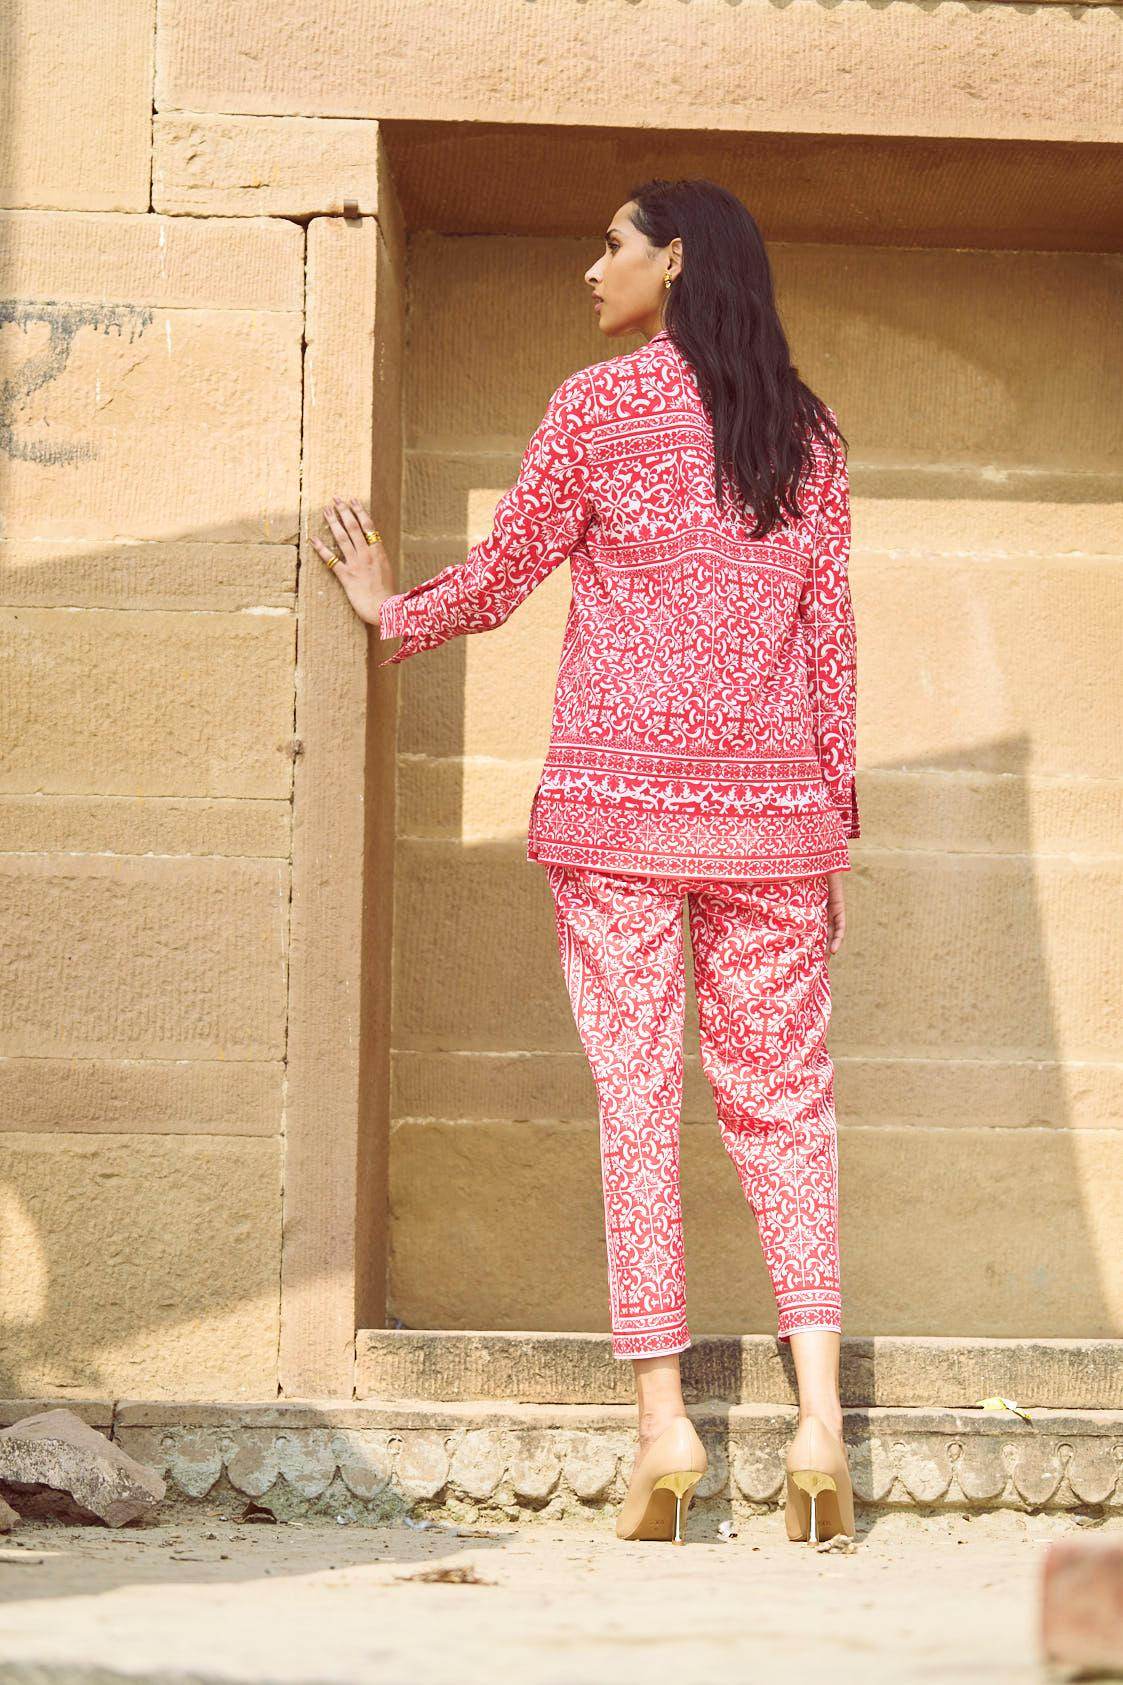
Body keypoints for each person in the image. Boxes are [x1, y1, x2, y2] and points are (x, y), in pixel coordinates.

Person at [310, 177, 859, 1546]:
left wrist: (390, 610)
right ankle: (820, 1426)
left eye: (613, 244)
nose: (591, 267)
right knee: (785, 1109)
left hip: (616, 814)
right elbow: (832, 646)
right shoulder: (805, 432)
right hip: (774, 823)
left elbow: (505, 576)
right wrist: (828, 827)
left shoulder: (597, 409)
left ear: (674, 260)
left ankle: (664, 1425)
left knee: (637, 1099)